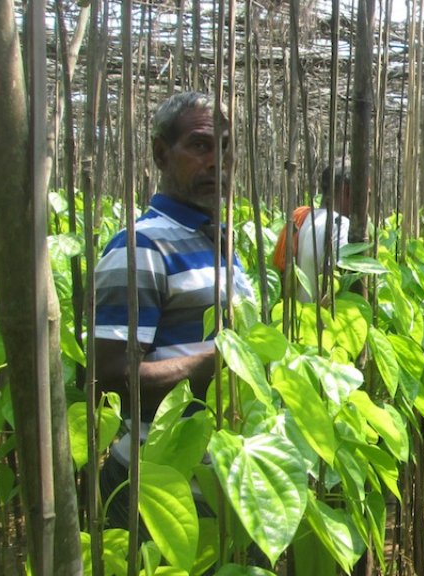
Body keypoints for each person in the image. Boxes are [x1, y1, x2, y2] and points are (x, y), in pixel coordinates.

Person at [93, 91, 255, 525]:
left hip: (227, 480)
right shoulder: (141, 247)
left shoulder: (224, 245)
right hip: (162, 485)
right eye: (200, 145)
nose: (217, 162)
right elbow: (107, 377)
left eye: (226, 147)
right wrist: (218, 363)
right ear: (160, 153)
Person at [272, 162, 352, 302]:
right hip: (321, 320)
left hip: (299, 318)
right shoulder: (340, 224)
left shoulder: (302, 218)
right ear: (346, 192)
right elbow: (336, 285)